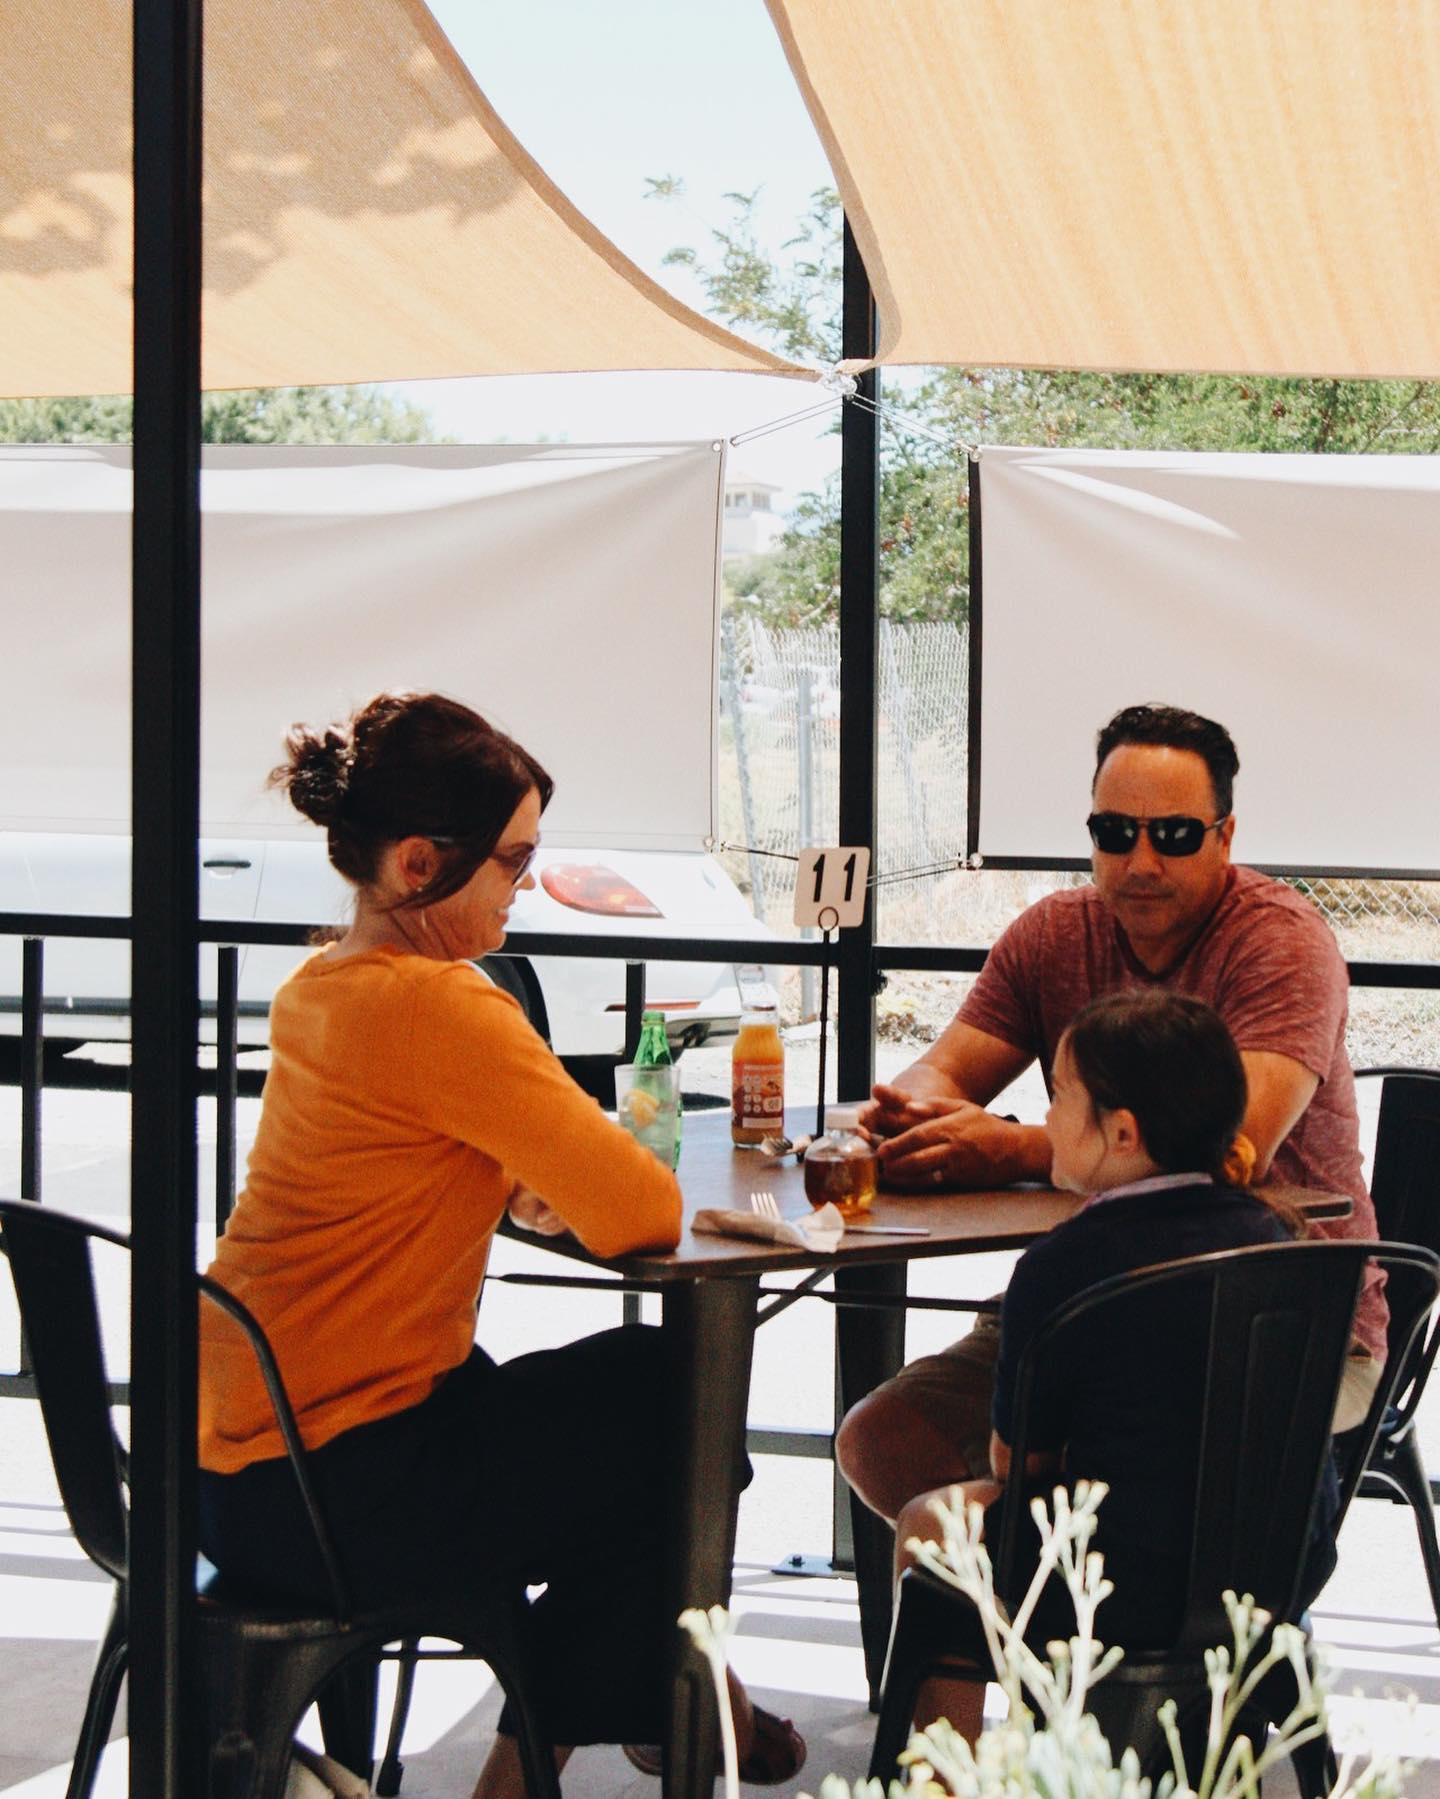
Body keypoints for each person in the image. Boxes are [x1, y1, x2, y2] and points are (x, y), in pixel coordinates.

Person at [196, 692, 804, 1797]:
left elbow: (412, 1154)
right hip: (341, 1489)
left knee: (639, 1402)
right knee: (680, 1420)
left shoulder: (320, 987)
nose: (526, 884)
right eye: (515, 862)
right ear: (421, 863)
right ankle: (644, 1715)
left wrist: (514, 1176)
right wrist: (547, 1178)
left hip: (234, 1474)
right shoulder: (445, 1003)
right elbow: (641, 1209)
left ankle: (671, 1700)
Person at [838, 702, 1384, 1527]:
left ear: (1226, 837)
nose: (1140, 861)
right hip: (1094, 1294)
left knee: (1090, 1458)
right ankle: (1035, 1604)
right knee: (884, 1440)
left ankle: (1076, 1596)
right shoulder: (1054, 932)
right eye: (1115, 832)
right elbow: (944, 1071)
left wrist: (1010, 1149)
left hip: (1282, 1317)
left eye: (1174, 835)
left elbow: (1228, 1147)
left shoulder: (1281, 942)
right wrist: (906, 1118)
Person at [895, 989, 1340, 1739]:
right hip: (1279, 1570)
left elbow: (1016, 1463)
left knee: (929, 1522)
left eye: (1059, 1097)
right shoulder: (1281, 1241)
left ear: (1123, 1132)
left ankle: (947, 1771)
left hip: (1121, 1584)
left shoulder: (1060, 1266)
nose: (1045, 1119)